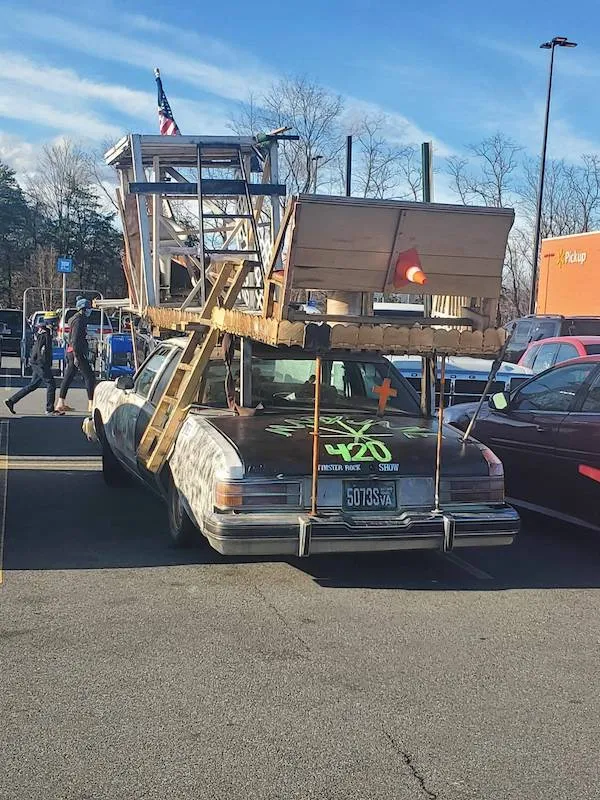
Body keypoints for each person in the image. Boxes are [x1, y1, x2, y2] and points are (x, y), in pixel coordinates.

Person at [5, 312, 62, 416]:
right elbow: (41, 350)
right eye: (56, 321)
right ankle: (49, 409)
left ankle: (12, 401)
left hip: (37, 362)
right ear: (51, 322)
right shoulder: (46, 333)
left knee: (33, 385)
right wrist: (44, 363)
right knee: (51, 384)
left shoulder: (45, 332)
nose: (57, 323)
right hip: (40, 363)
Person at [55, 297, 96, 414]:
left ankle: (60, 403)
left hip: (71, 351)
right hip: (77, 352)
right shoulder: (79, 320)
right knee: (89, 376)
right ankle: (91, 403)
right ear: (83, 309)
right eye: (88, 308)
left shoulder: (74, 318)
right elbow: (75, 339)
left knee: (68, 376)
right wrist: (77, 356)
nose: (90, 310)